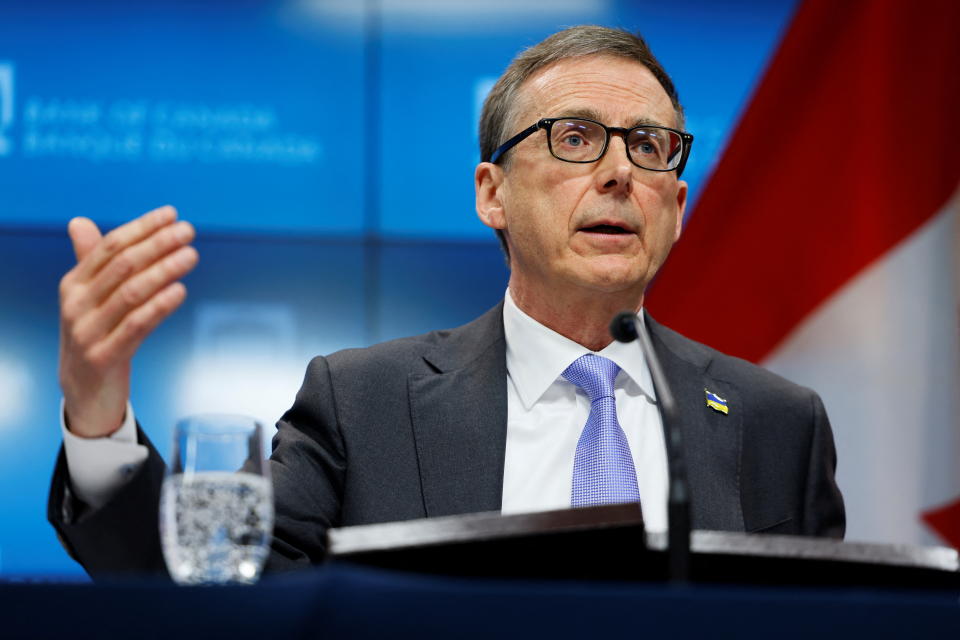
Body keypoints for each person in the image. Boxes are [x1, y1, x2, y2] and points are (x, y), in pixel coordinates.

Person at [49, 26, 844, 577]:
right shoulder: (364, 405)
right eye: (574, 138)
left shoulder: (778, 422)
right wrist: (96, 414)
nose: (618, 172)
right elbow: (218, 604)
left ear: (676, 202)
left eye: (648, 145)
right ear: (491, 193)